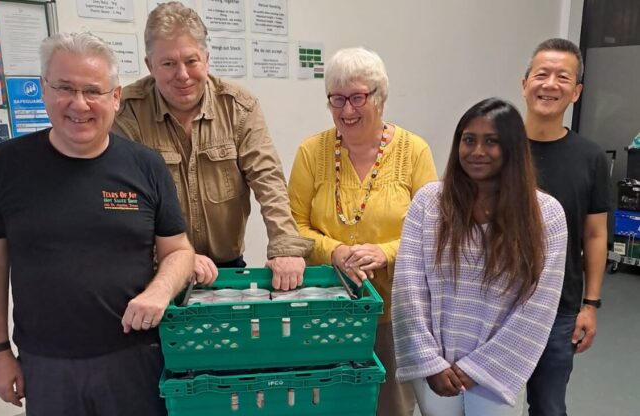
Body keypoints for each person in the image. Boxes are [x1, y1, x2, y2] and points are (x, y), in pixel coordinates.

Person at [0, 32, 195, 416]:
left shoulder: (146, 166)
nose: (79, 104)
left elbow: (179, 251)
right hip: (46, 366)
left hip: (135, 360)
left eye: (93, 91)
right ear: (43, 90)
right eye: (64, 88)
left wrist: (160, 291)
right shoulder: (7, 164)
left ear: (116, 98)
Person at [112, 2, 312, 289]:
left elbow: (268, 180)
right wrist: (178, 257)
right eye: (168, 63)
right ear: (149, 65)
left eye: (191, 61)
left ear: (206, 58)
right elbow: (124, 202)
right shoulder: (127, 113)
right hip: (156, 270)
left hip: (227, 269)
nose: (182, 75)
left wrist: (286, 247)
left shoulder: (239, 107)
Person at [392, 98, 568, 416]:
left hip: (499, 369)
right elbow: (408, 289)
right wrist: (429, 360)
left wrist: (480, 368)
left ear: (513, 148)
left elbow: (538, 307)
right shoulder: (428, 203)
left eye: (491, 142)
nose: (476, 151)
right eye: (468, 140)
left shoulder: (546, 215)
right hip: (435, 368)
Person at [288, 47, 437, 416]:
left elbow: (433, 232)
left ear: (380, 96)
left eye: (357, 97)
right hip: (325, 305)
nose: (347, 110)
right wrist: (334, 252)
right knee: (327, 401)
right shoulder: (311, 152)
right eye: (336, 99)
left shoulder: (413, 151)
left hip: (394, 308)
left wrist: (384, 252)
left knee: (392, 405)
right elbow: (292, 227)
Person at [522, 38, 611, 416]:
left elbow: (594, 235)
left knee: (548, 406)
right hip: (491, 303)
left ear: (576, 92)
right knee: (485, 403)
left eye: (563, 77)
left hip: (558, 308)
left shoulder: (589, 156)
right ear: (524, 83)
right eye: (541, 74)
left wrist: (590, 305)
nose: (550, 84)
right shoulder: (496, 149)